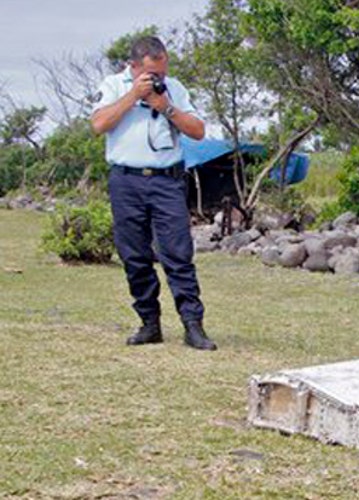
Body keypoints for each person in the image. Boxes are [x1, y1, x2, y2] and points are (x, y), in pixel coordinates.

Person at [91, 36, 216, 350]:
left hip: (166, 181)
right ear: (133, 67)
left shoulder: (175, 88)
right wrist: (134, 95)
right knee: (134, 255)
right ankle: (149, 323)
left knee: (178, 253)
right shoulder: (113, 85)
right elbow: (99, 124)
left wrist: (166, 106)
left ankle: (193, 325)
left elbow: (198, 131)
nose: (159, 78)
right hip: (126, 181)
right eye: (151, 74)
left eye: (162, 71)